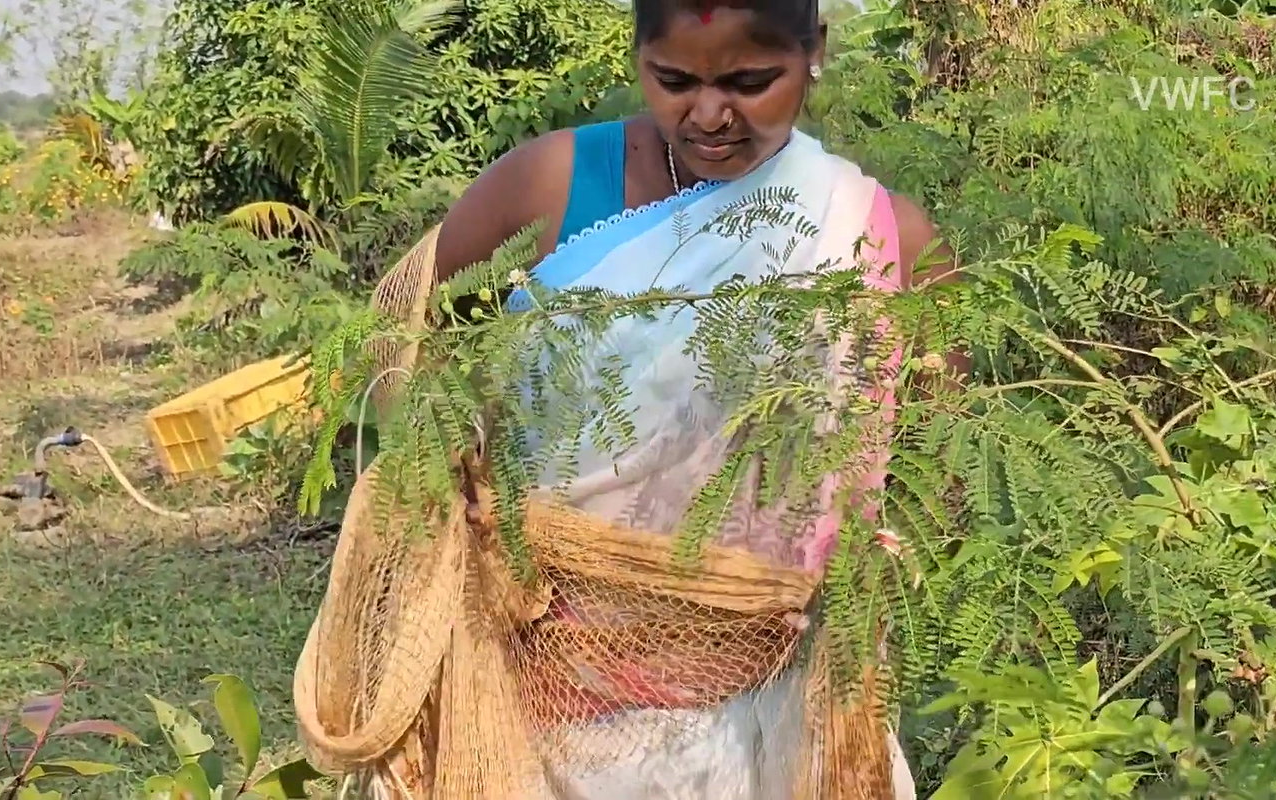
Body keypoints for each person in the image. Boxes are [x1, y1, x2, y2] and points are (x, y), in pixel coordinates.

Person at [295, 2, 957, 798]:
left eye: (752, 82)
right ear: (637, 55)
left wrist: (864, 571)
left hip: (780, 702)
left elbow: (937, 457)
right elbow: (402, 340)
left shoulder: (879, 236)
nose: (709, 115)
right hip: (550, 696)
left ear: (815, 51)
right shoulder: (551, 186)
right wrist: (453, 480)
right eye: (673, 80)